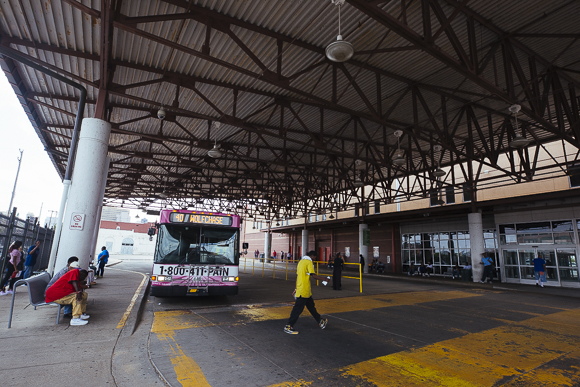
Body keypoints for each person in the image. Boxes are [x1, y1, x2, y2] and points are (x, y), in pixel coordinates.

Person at [284, 251, 330, 335]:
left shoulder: (300, 262)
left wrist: (296, 288)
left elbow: (298, 276)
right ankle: (288, 326)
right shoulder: (309, 262)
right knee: (297, 309)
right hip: (304, 290)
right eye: (315, 257)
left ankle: (320, 321)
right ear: (312, 256)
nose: (315, 259)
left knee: (311, 307)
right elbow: (313, 275)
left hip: (303, 290)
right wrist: (324, 279)